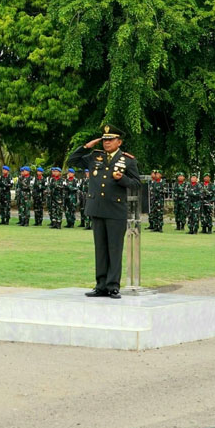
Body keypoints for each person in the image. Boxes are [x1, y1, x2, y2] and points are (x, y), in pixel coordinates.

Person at [68, 125, 141, 298]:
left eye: (111, 139)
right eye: (105, 139)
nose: (107, 143)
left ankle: (113, 285)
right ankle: (100, 285)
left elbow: (137, 184)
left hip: (115, 210)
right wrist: (87, 147)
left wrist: (122, 178)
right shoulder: (95, 156)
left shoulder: (127, 161)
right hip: (97, 208)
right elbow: (72, 161)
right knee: (100, 249)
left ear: (119, 141)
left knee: (114, 249)